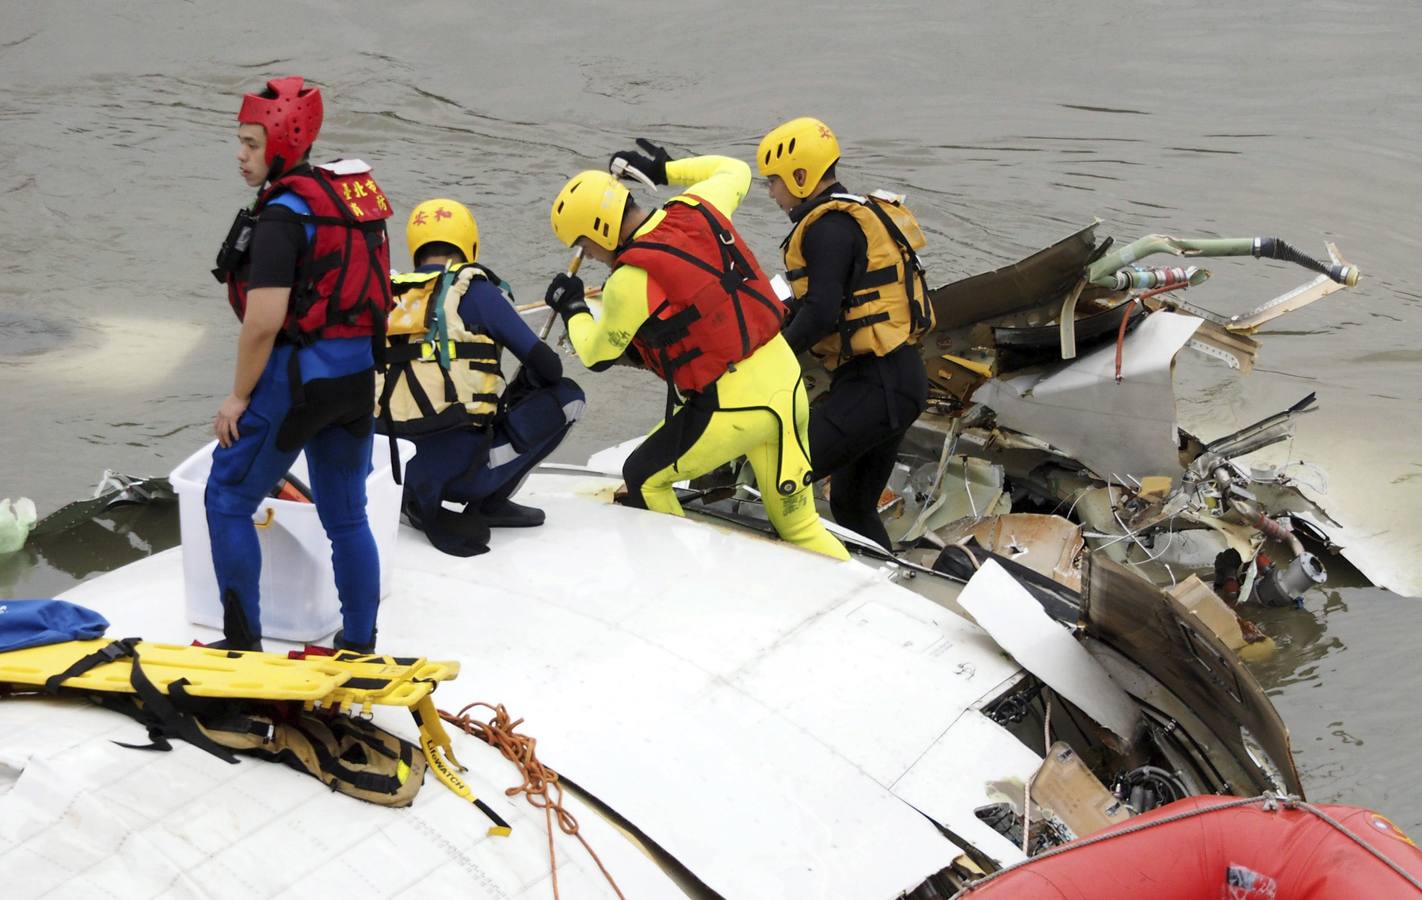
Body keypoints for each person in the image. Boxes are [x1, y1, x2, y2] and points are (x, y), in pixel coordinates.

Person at [543, 143, 848, 561]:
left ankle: (680, 580)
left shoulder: (629, 281)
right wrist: (663, 169)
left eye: (585, 247)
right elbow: (734, 169)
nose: (592, 257)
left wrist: (573, 308)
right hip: (787, 385)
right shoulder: (697, 206)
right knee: (800, 526)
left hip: (738, 408)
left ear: (597, 231)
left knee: (643, 477)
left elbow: (596, 355)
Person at [208, 76, 392, 652]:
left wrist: (238, 397)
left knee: (227, 498)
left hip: (297, 384)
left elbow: (263, 322)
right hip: (356, 382)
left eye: (251, 144)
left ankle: (241, 647)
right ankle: (358, 642)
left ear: (284, 143)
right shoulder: (347, 199)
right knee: (347, 518)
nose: (240, 155)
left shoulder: (282, 217)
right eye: (239, 142)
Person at [756, 117, 935, 551]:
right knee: (852, 505)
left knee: (786, 472)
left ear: (800, 176)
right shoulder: (850, 216)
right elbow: (829, 300)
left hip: (877, 384)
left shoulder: (827, 228)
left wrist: (768, 360)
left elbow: (820, 312)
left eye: (774, 181)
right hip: (899, 380)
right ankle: (884, 574)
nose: (772, 193)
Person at [378, 198, 585, 557]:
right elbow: (551, 369)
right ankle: (490, 502)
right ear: (469, 244)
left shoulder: (386, 294)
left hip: (390, 470)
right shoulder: (476, 290)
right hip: (462, 476)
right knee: (569, 397)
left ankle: (414, 497)